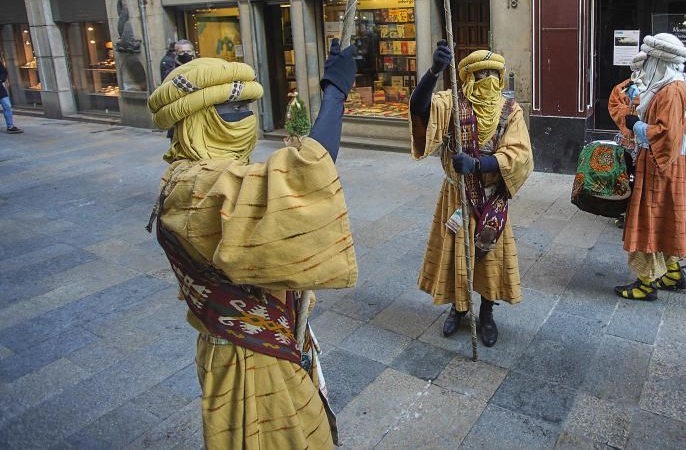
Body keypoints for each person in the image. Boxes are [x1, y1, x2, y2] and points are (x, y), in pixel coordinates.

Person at [146, 39, 358, 449]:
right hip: (248, 356)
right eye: (229, 114)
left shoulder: (205, 174)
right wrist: (335, 94)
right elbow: (300, 178)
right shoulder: (193, 184)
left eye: (247, 111)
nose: (243, 121)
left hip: (270, 340)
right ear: (196, 121)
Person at [409, 42, 533, 347]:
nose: (488, 80)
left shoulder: (511, 110)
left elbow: (520, 155)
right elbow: (420, 108)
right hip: (458, 197)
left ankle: (487, 313)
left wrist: (479, 163)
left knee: (489, 257)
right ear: (466, 78)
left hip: (492, 200)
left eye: (493, 73)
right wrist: (433, 72)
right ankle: (459, 308)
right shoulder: (453, 102)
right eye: (480, 74)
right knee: (457, 255)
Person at [615, 33, 686, 301]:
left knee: (649, 222)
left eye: (649, 59)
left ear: (659, 61)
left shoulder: (672, 91)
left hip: (660, 166)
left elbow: (666, 135)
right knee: (666, 221)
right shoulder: (674, 86)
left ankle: (646, 282)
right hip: (669, 165)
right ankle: (673, 272)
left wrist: (634, 125)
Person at [606, 56, 643, 228]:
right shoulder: (624, 87)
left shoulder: (660, 88)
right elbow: (614, 106)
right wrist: (632, 113)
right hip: (629, 141)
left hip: (649, 143)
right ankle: (625, 210)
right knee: (627, 175)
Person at [0, 57, 23, 134]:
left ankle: (10, 126)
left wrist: (1, 79)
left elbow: (4, 72)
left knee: (7, 106)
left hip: (0, 90)